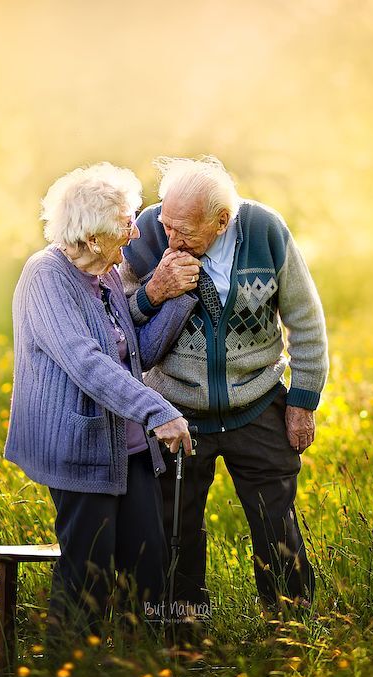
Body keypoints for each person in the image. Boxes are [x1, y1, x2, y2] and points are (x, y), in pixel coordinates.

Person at [120, 156, 329, 618]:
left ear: (222, 221)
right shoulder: (147, 233)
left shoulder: (265, 232)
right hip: (175, 409)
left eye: (185, 231)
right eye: (167, 222)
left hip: (256, 402)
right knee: (176, 526)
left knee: (276, 523)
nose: (170, 238)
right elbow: (116, 325)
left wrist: (303, 401)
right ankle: (184, 628)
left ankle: (291, 623)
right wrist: (153, 291)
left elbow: (306, 320)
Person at [4, 162, 197, 639]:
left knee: (150, 566)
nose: (134, 233)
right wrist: (158, 410)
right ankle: (71, 664)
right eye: (124, 224)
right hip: (79, 444)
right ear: (91, 237)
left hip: (127, 447)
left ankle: (143, 662)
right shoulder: (44, 277)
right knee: (88, 576)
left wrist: (177, 296)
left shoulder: (107, 275)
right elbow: (86, 362)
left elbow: (136, 354)